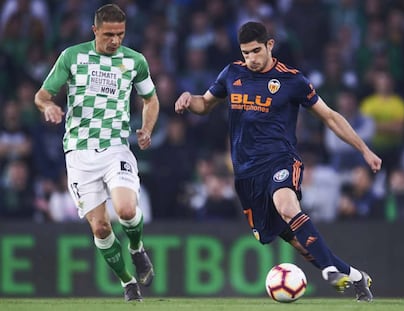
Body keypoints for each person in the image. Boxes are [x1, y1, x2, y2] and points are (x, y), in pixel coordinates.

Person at [175, 21, 382, 302]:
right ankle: (355, 276)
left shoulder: (292, 80)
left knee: (287, 206)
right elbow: (205, 104)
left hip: (280, 160)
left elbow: (330, 116)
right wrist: (190, 99)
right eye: (246, 53)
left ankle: (329, 269)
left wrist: (364, 150)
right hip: (246, 172)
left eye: (256, 51)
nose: (251, 59)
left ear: (270, 45)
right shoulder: (232, 73)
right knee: (293, 237)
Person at [34, 4, 158, 302]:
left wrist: (147, 128)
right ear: (95, 31)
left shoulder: (134, 61)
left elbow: (150, 99)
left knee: (126, 210)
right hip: (78, 152)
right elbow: (42, 94)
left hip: (116, 147)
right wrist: (48, 106)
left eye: (120, 34)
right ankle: (128, 282)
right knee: (100, 227)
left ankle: (137, 249)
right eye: (108, 34)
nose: (115, 40)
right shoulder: (72, 56)